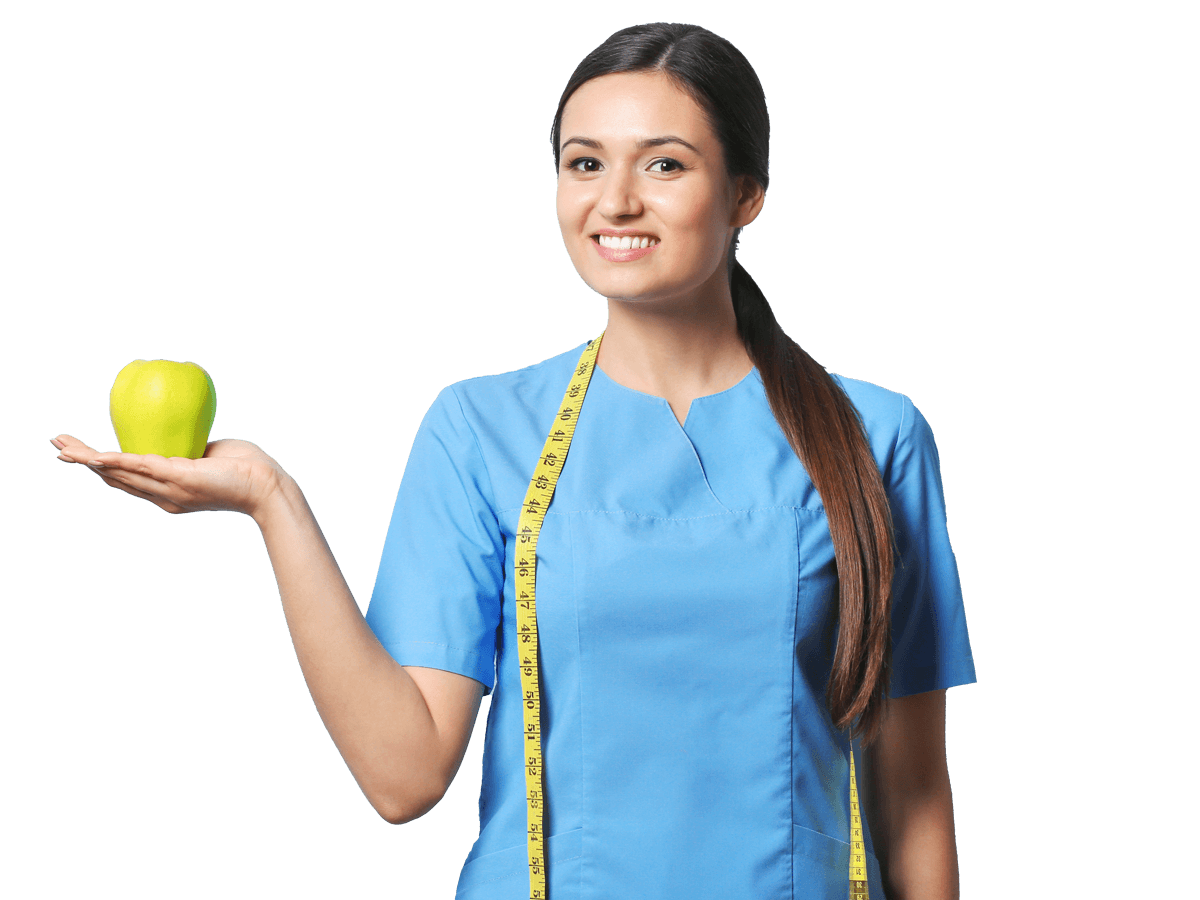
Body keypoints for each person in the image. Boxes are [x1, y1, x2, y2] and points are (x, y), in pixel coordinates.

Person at [51, 22, 974, 900]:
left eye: (664, 163)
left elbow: (914, 799)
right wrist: (272, 501)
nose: (615, 201)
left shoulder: (875, 438)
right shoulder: (479, 428)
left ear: (746, 194)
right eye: (584, 163)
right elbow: (403, 778)